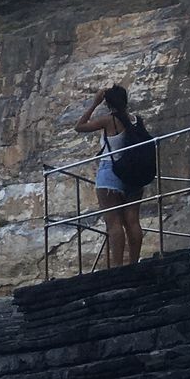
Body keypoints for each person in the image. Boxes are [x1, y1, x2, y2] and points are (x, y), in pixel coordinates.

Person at [75, 83, 144, 268]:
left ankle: (117, 268)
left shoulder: (109, 120)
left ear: (108, 103)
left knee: (114, 223)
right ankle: (134, 264)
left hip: (110, 174)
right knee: (133, 221)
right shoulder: (136, 119)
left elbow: (79, 126)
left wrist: (94, 103)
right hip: (134, 174)